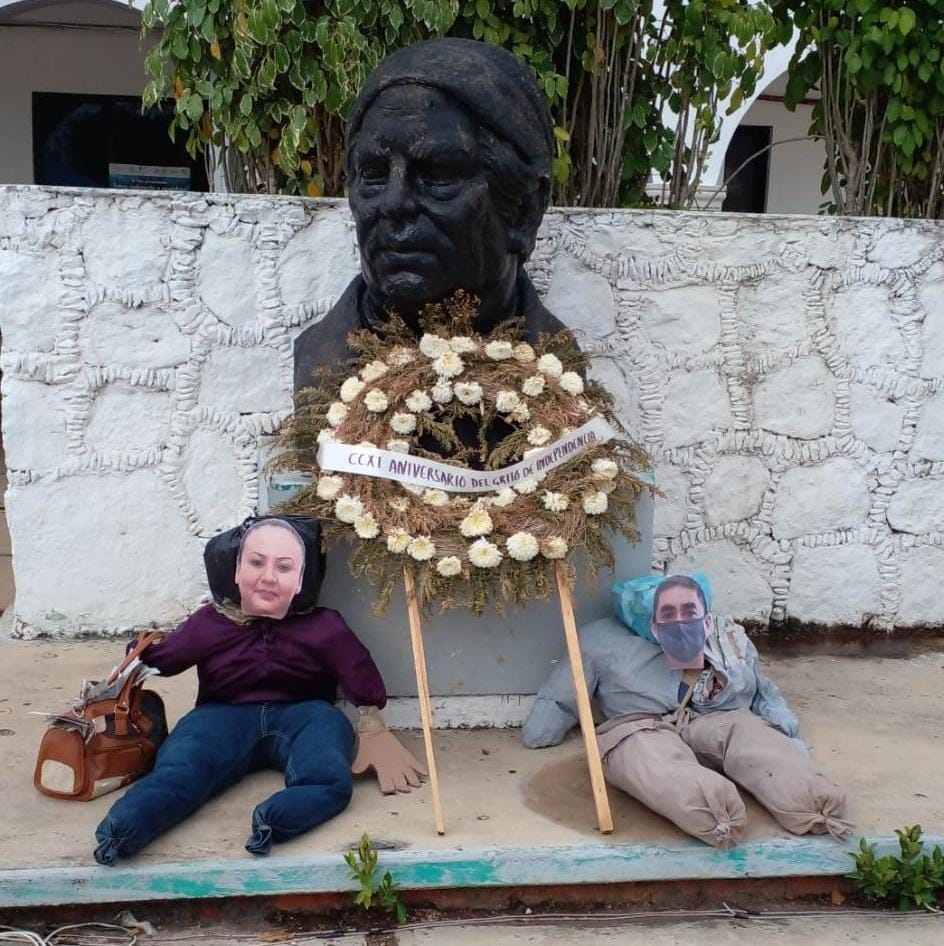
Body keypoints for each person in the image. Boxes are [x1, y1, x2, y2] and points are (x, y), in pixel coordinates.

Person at [93, 518, 425, 864]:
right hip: (222, 714)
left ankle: (277, 820)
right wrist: (138, 656)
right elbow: (165, 660)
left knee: (327, 771)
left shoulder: (322, 626)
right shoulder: (211, 622)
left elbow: (355, 667)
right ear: (234, 571)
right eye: (256, 562)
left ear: (300, 579)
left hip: (304, 713)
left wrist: (372, 723)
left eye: (284, 567)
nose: (268, 577)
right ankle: (122, 830)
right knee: (180, 769)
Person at [294, 37, 568, 393]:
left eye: (438, 175)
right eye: (374, 175)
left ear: (525, 211)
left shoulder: (558, 368)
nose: (394, 204)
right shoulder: (321, 365)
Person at [522, 574, 851, 848]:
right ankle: (713, 813)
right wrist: (543, 726)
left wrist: (784, 731)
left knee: (749, 734)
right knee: (646, 755)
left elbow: (761, 689)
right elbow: (562, 695)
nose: (679, 621)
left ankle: (812, 801)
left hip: (714, 719)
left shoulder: (727, 638)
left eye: (688, 612)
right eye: (668, 614)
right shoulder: (601, 640)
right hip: (642, 726)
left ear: (706, 619)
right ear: (652, 622)